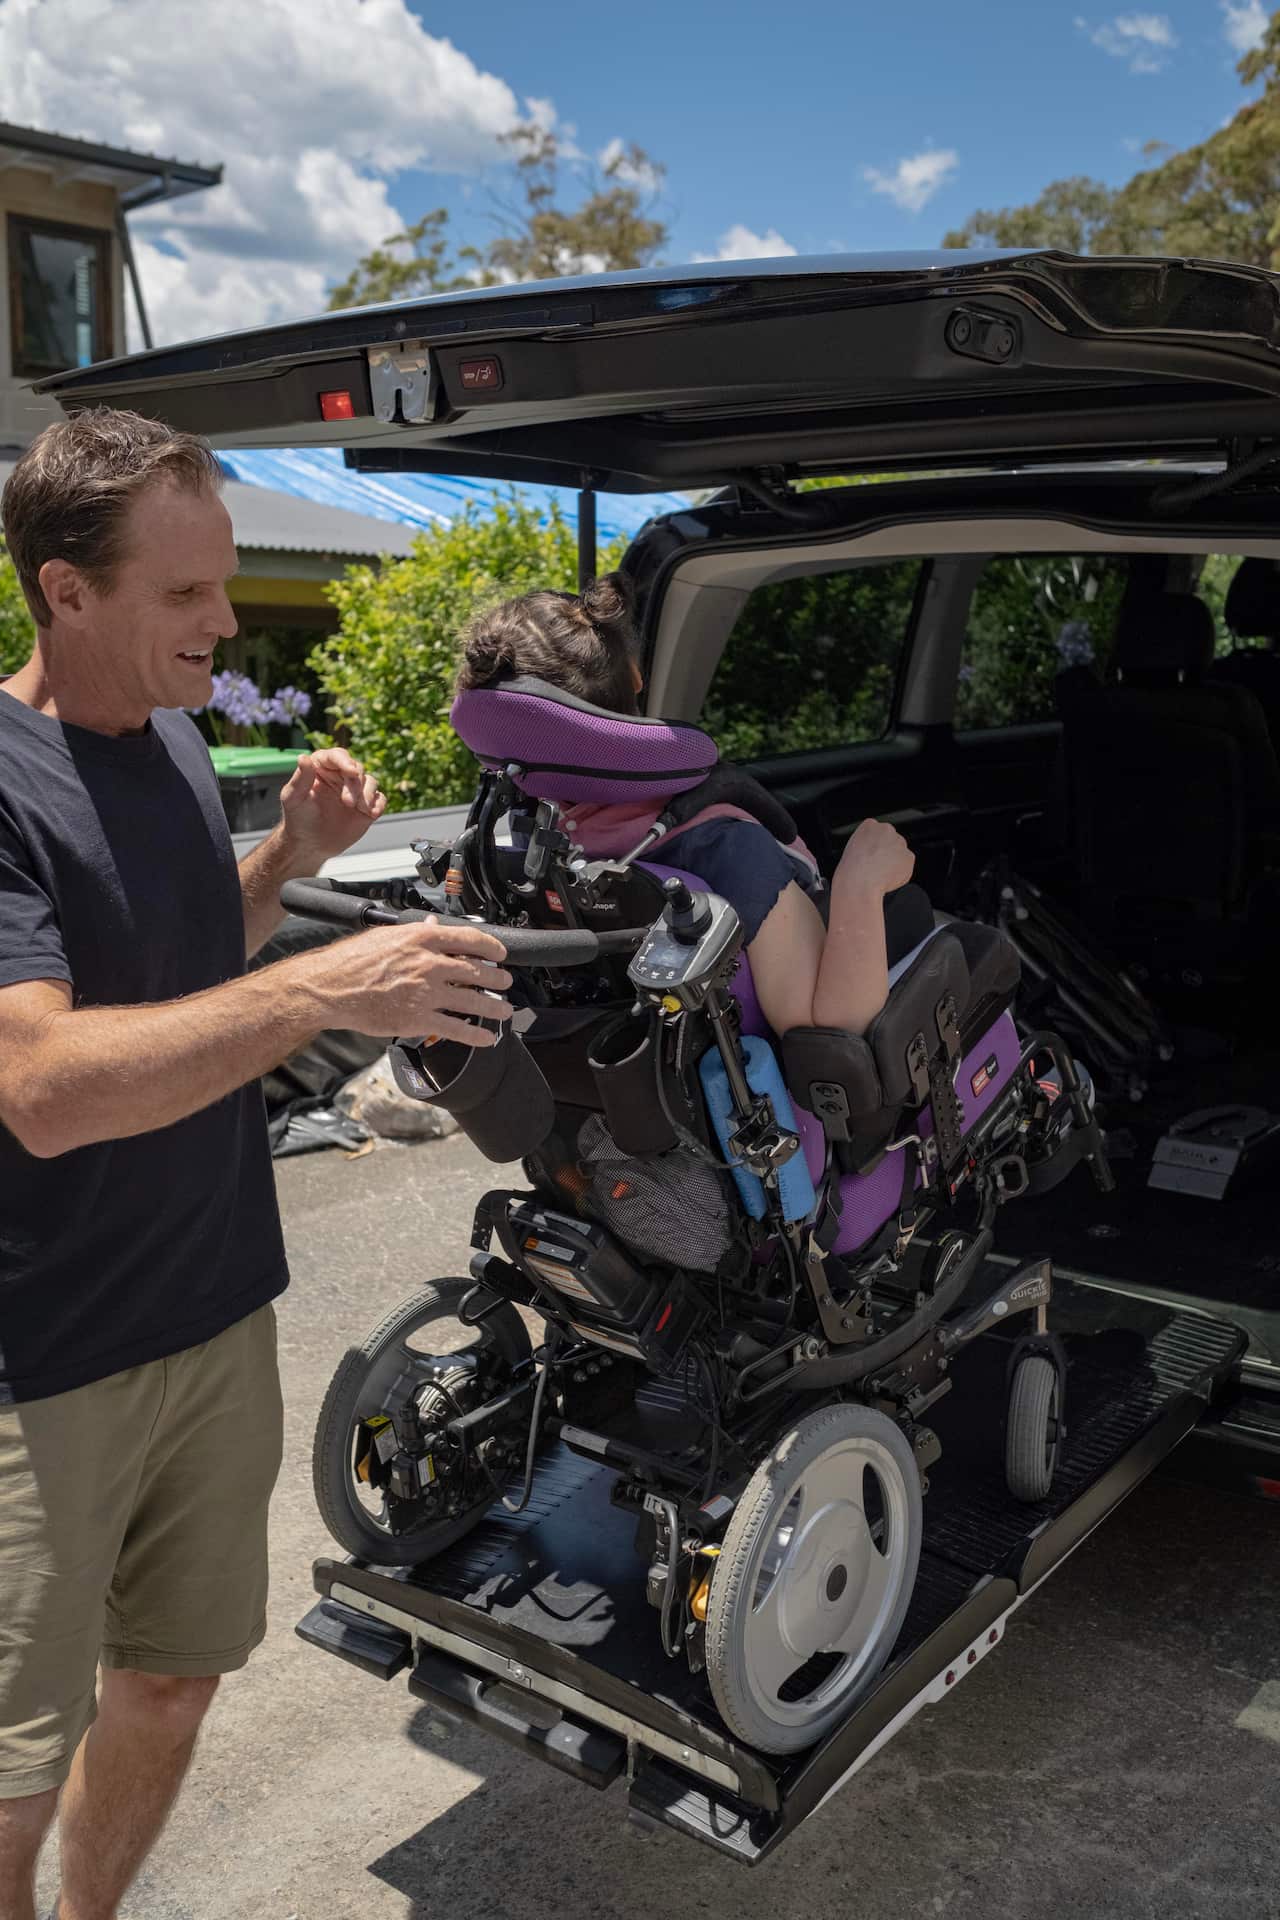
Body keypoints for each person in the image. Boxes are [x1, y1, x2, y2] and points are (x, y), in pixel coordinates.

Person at [0, 409, 511, 1920]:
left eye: (223, 586)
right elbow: (37, 1085)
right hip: (42, 1361)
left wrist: (281, 866)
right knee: (15, 1771)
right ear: (62, 591)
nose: (223, 625)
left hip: (215, 1310)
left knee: (166, 1688)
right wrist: (320, 991)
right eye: (185, 595)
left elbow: (172, 964)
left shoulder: (165, 738)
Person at [454, 574, 915, 1039]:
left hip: (615, 1079)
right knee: (926, 919)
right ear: (636, 676)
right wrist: (862, 883)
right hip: (753, 1088)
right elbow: (824, 1028)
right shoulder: (721, 845)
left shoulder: (514, 848)